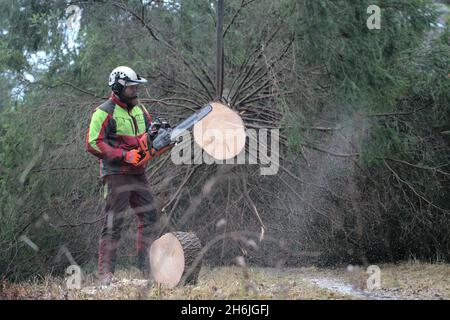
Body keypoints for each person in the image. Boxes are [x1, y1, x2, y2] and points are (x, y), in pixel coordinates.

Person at [85, 66, 171, 285]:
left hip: (138, 172)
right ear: (118, 87)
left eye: (136, 87)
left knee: (150, 215)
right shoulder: (104, 112)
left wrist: (162, 137)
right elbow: (93, 143)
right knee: (114, 222)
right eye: (131, 87)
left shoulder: (140, 111)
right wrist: (124, 155)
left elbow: (149, 134)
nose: (135, 91)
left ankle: (145, 267)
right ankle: (105, 273)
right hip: (116, 174)